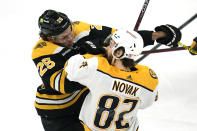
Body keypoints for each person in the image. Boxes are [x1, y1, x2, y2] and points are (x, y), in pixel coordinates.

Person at [32, 9, 181, 131]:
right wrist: (95, 54)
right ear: (49, 38)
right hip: (58, 111)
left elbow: (119, 38)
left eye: (70, 32)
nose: (71, 38)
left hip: (86, 102)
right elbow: (64, 84)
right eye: (64, 38)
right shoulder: (42, 51)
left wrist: (157, 36)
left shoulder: (79, 28)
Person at [60, 29, 160, 130]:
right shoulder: (147, 78)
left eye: (111, 45)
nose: (106, 47)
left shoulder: (98, 68)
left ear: (119, 52)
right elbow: (147, 103)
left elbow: (71, 70)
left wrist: (89, 53)